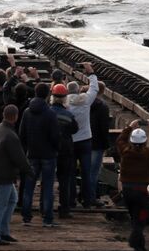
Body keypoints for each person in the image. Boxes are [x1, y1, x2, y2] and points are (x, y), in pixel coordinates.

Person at [0, 103, 30, 246]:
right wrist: (29, 171)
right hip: (4, 174)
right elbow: (19, 157)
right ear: (15, 117)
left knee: (11, 199)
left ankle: (3, 231)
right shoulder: (10, 135)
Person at [117, 121, 149, 251]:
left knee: (134, 217)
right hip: (141, 192)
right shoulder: (148, 154)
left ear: (131, 141)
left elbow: (120, 140)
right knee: (141, 220)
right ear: (144, 142)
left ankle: (138, 245)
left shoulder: (125, 152)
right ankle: (135, 246)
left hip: (127, 191)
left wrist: (129, 127)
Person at [17, 82, 61, 226]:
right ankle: (47, 219)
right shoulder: (50, 113)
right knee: (48, 187)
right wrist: (56, 149)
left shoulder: (27, 112)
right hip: (48, 154)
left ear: (35, 93)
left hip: (32, 154)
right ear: (47, 95)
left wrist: (27, 149)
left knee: (29, 186)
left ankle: (26, 217)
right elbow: (55, 136)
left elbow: (21, 134)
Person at [64, 65, 99, 208]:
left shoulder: (64, 103)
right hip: (85, 140)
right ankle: (87, 200)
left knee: (71, 171)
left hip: (70, 141)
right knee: (86, 171)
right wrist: (91, 73)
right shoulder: (85, 100)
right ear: (78, 90)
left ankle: (71, 200)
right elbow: (94, 88)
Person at [48, 83, 79, 217]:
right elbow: (75, 129)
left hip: (49, 149)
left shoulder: (48, 113)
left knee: (47, 180)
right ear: (65, 98)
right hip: (65, 150)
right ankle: (64, 209)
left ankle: (46, 207)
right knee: (64, 180)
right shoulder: (68, 115)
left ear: (52, 97)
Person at [87, 86, 111, 208]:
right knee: (94, 172)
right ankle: (92, 198)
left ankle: (85, 195)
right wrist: (106, 144)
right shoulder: (103, 107)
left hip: (85, 141)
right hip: (97, 144)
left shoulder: (85, 104)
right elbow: (104, 128)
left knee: (86, 171)